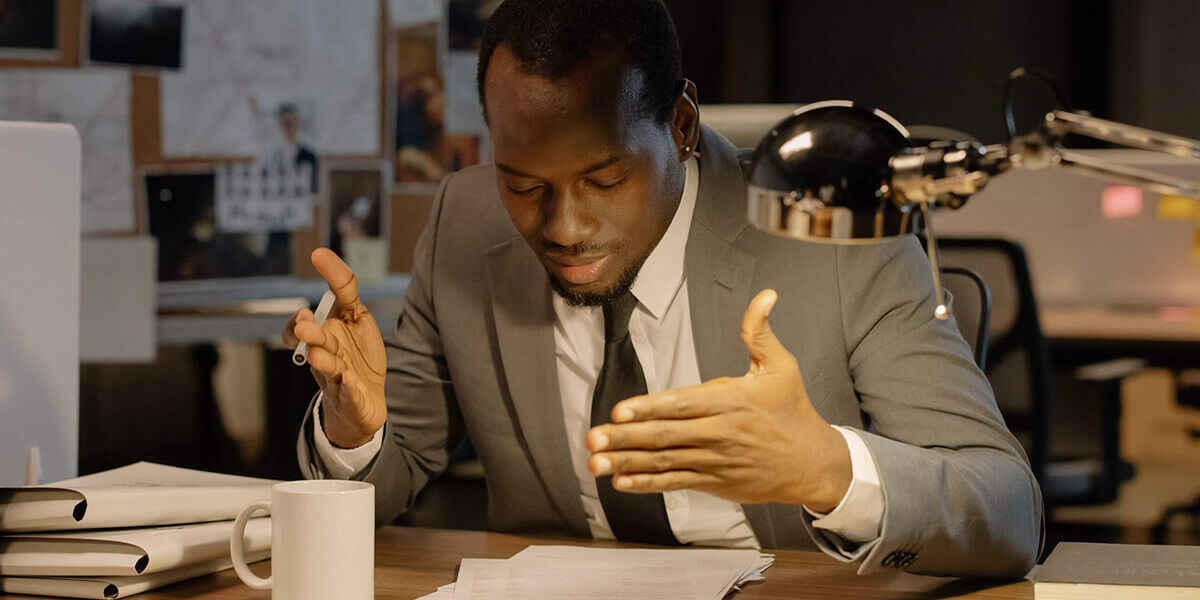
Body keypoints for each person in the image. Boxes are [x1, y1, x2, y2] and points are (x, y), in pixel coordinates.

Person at [284, 0, 1042, 577]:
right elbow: (390, 480)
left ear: (680, 124)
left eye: (605, 178)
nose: (565, 227)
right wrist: (355, 432)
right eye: (523, 184)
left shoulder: (831, 231)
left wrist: (828, 470)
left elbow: (1008, 508)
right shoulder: (464, 220)